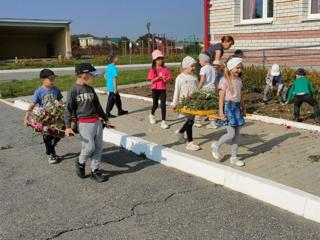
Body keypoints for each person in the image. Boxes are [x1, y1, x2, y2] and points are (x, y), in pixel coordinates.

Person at [64, 63, 112, 183]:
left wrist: (106, 119)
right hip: (84, 124)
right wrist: (68, 127)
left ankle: (95, 171)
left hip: (96, 122)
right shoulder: (73, 90)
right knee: (89, 147)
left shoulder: (90, 89)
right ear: (84, 76)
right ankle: (80, 162)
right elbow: (68, 109)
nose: (93, 78)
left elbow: (97, 105)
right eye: (92, 76)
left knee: (98, 148)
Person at [23, 69, 63, 164]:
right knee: (47, 136)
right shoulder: (39, 91)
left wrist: (62, 107)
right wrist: (26, 117)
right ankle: (50, 154)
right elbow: (32, 105)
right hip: (44, 118)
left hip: (56, 117)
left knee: (59, 134)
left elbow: (60, 101)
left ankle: (51, 149)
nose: (53, 81)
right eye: (50, 79)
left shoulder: (56, 89)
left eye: (54, 79)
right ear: (42, 79)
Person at [211, 57, 246, 167]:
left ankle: (234, 157)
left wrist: (243, 107)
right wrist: (221, 113)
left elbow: (240, 96)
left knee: (236, 135)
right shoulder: (224, 80)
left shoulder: (239, 80)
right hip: (228, 108)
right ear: (231, 68)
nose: (239, 70)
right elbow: (221, 98)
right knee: (231, 133)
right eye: (237, 68)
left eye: (240, 68)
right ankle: (216, 145)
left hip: (236, 108)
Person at [171, 56, 201, 151]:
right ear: (185, 66)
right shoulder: (180, 78)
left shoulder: (195, 77)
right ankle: (190, 142)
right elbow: (177, 91)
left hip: (194, 102)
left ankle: (180, 132)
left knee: (190, 120)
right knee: (190, 121)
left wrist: (201, 98)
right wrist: (174, 103)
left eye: (194, 66)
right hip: (185, 103)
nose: (194, 68)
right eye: (192, 66)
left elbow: (197, 89)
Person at [147, 49, 173, 129]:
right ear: (155, 60)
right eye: (159, 59)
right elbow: (151, 81)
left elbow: (170, 78)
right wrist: (158, 77)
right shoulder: (152, 70)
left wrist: (166, 79)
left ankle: (163, 122)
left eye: (161, 58)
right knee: (155, 104)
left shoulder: (165, 69)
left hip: (162, 89)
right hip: (155, 89)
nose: (161, 60)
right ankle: (151, 115)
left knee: (163, 105)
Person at [197, 53, 218, 129]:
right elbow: (215, 80)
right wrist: (216, 89)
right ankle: (213, 123)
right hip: (212, 88)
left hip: (205, 88)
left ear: (204, 60)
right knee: (211, 106)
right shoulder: (213, 68)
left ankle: (198, 121)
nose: (199, 62)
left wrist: (198, 88)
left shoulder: (203, 68)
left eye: (199, 60)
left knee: (200, 104)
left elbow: (202, 80)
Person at [105, 53, 128, 118]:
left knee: (117, 98)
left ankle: (120, 110)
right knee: (111, 100)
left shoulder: (108, 66)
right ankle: (107, 113)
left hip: (109, 85)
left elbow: (105, 75)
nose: (118, 59)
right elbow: (114, 79)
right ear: (113, 59)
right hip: (113, 87)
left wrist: (108, 81)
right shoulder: (114, 68)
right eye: (117, 58)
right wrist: (115, 88)